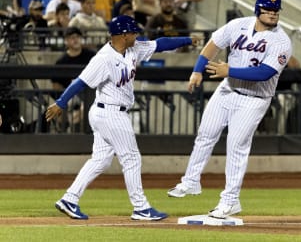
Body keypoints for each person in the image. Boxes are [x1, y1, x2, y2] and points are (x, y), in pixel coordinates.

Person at [45, 15, 199, 220]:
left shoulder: (133, 48)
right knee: (132, 158)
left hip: (108, 113)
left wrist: (187, 40)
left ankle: (70, 199)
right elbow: (80, 82)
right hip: (110, 113)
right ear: (124, 35)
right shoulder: (104, 58)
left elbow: (160, 44)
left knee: (100, 160)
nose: (137, 34)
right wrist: (61, 103)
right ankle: (141, 207)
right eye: (134, 32)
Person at [167, 0, 292, 219]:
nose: (273, 14)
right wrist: (196, 71)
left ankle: (230, 201)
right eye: (268, 9)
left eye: (276, 10)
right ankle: (190, 182)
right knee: (205, 134)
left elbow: (266, 73)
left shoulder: (282, 41)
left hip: (254, 99)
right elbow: (212, 45)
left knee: (236, 146)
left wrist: (228, 70)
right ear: (258, 9)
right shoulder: (238, 25)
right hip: (227, 90)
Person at [51, 26, 95, 132]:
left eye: (77, 37)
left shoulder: (91, 56)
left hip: (89, 93)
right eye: (72, 37)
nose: (75, 40)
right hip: (70, 95)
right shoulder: (61, 62)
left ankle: (73, 128)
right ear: (66, 41)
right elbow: (56, 87)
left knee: (86, 108)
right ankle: (66, 130)